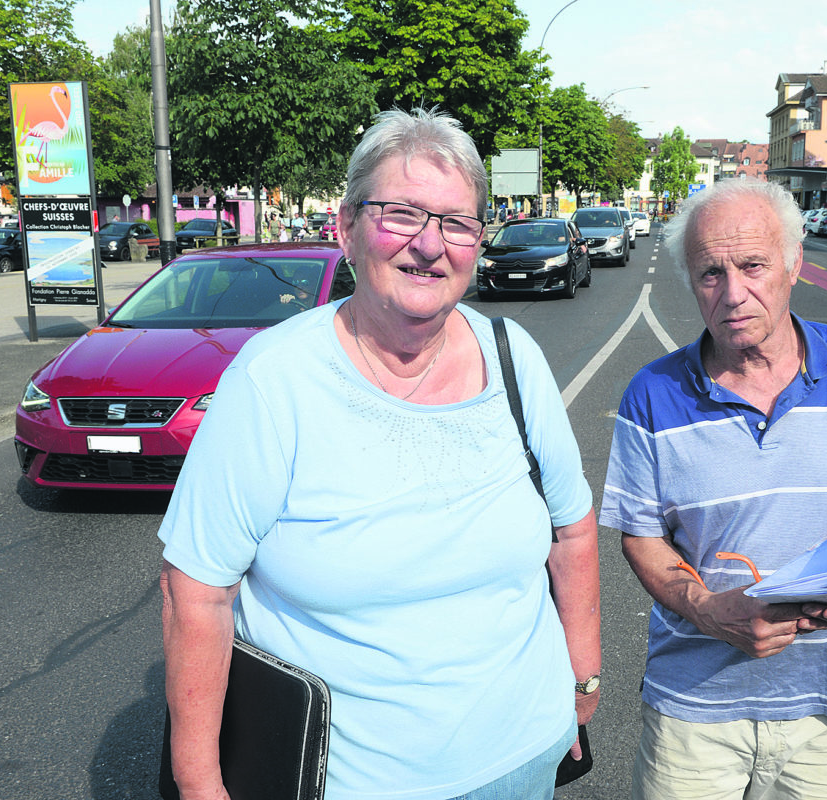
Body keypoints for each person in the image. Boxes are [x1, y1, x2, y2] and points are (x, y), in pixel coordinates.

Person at [159, 106, 600, 800]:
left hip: (523, 757)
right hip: (346, 781)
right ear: (345, 228)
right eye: (401, 214)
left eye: (456, 222)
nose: (430, 245)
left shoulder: (514, 358)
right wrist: (200, 783)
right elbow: (197, 589)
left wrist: (581, 677)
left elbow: (571, 529)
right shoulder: (274, 380)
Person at [599, 178, 827, 800]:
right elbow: (641, 536)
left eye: (753, 265)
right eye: (711, 273)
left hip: (824, 707)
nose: (734, 293)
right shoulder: (651, 394)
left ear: (794, 262)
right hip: (692, 715)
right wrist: (707, 610)